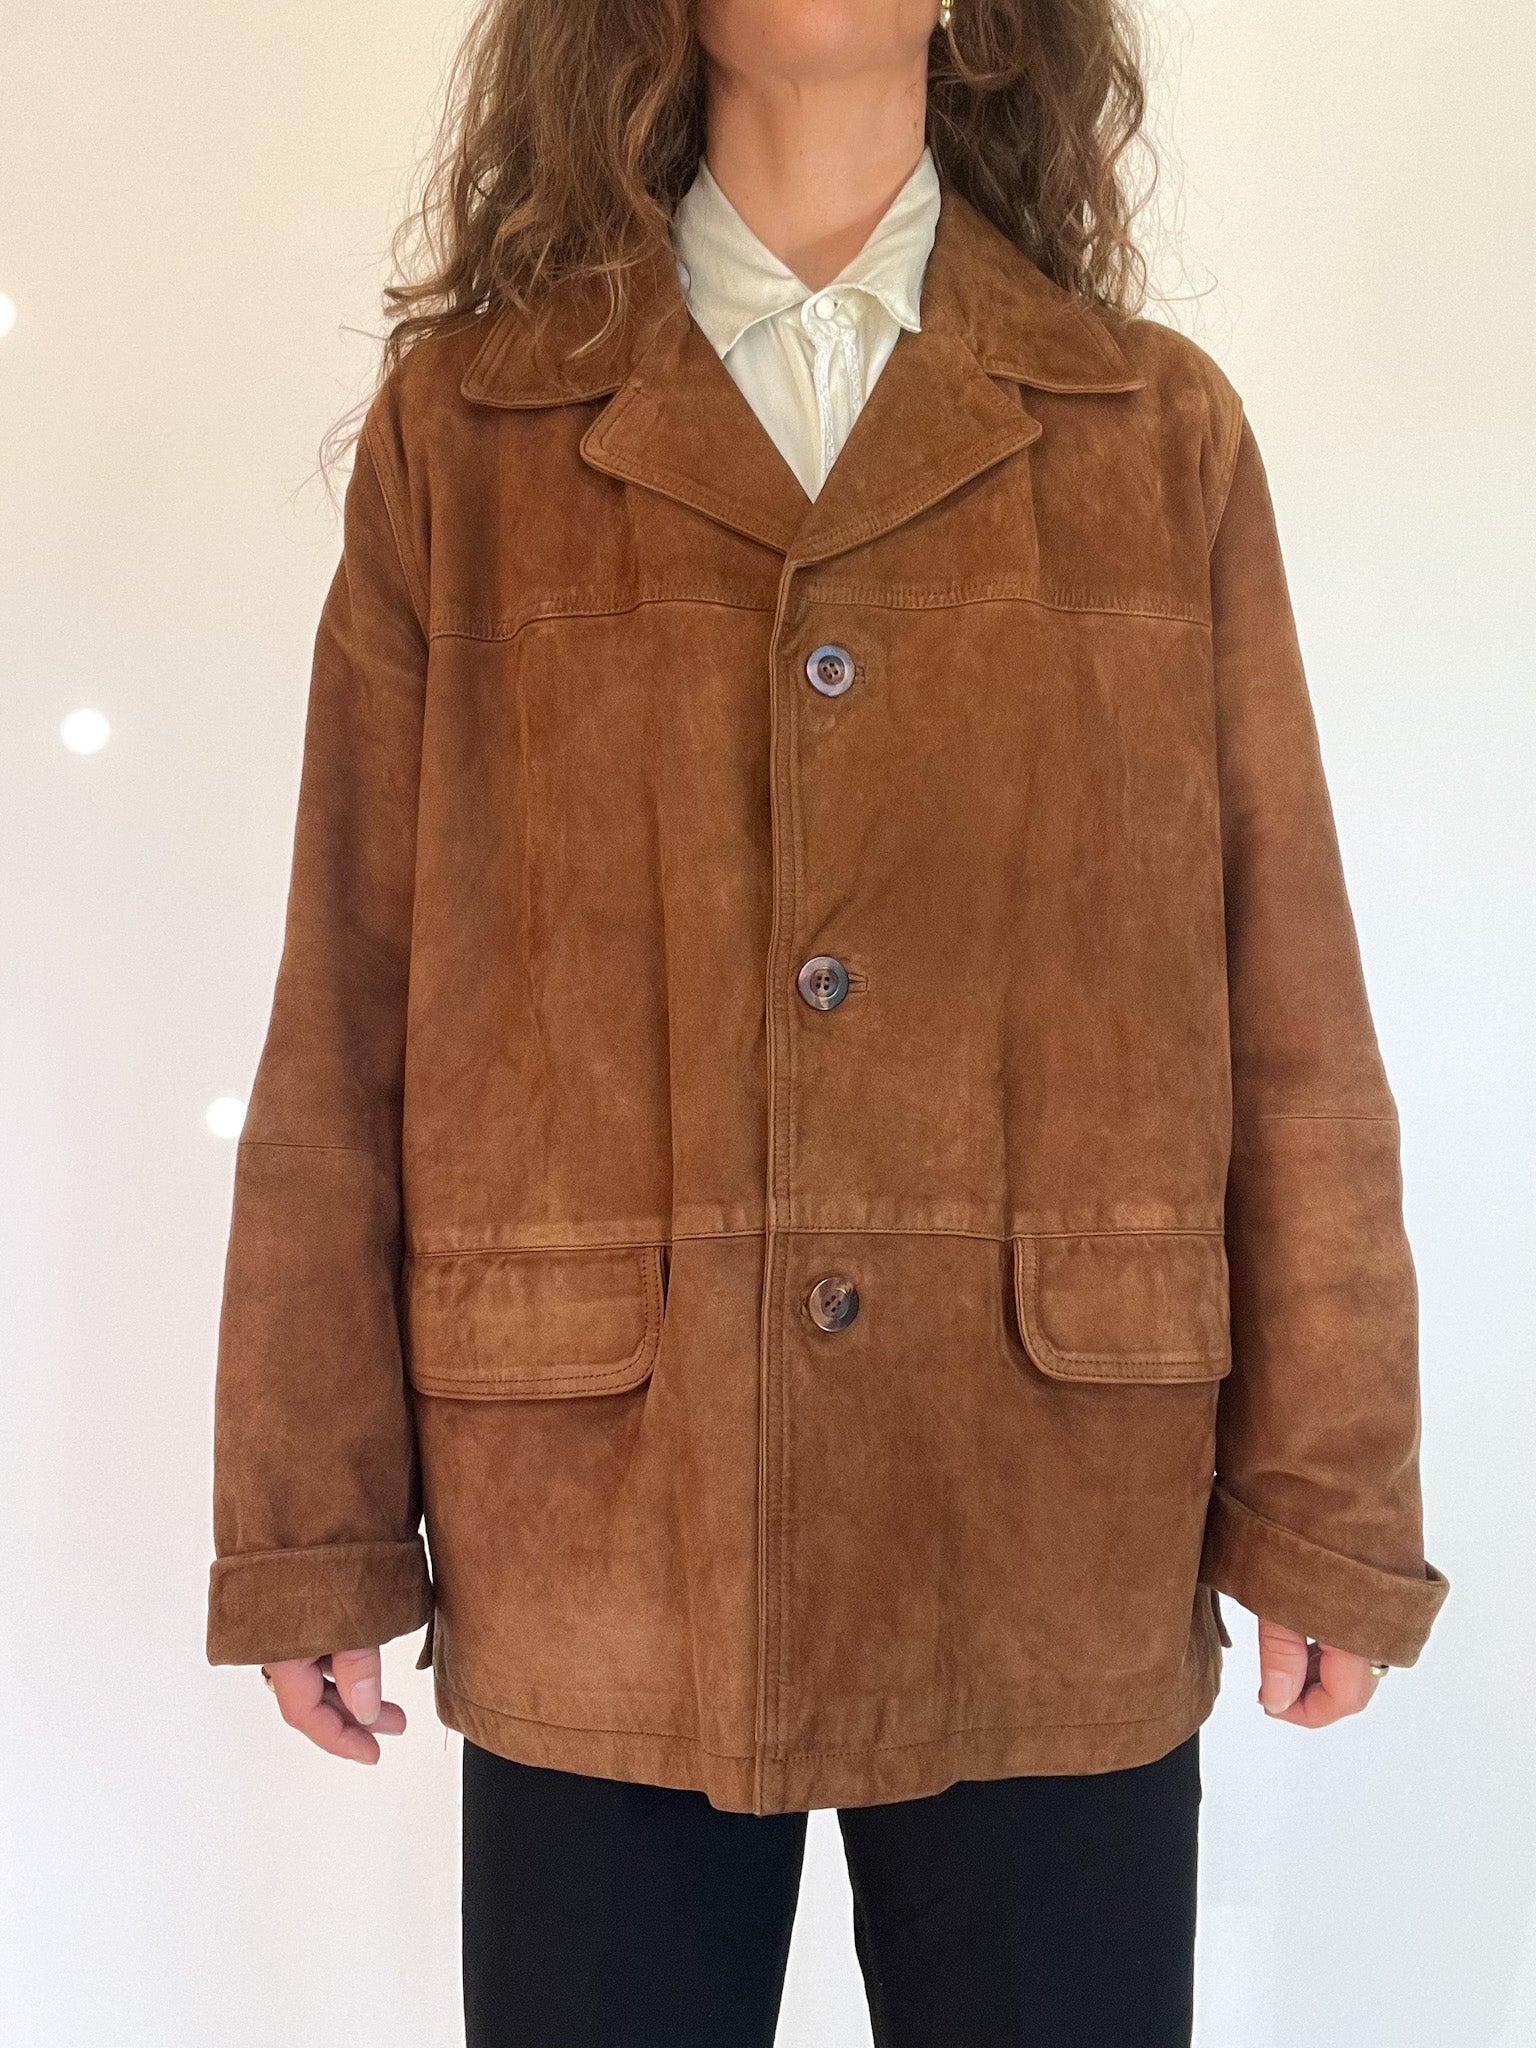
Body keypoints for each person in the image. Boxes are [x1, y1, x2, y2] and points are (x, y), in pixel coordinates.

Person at [205, 2, 1450, 2042]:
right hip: (610, 1515)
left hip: (1041, 1504)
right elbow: (346, 1011)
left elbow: (1290, 1006)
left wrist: (1327, 1497)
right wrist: (310, 1524)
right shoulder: (472, 440)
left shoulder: (1152, 435)